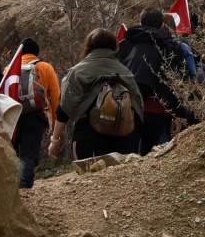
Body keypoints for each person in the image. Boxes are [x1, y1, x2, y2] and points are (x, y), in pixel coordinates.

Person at [51, 28, 144, 162]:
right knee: (120, 181)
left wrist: (55, 140)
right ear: (114, 46)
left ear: (88, 47)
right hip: (124, 138)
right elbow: (138, 108)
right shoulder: (126, 72)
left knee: (90, 181)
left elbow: (64, 109)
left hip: (88, 138)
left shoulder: (77, 72)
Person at [117, 7, 198, 154]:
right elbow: (179, 82)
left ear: (140, 22)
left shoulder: (125, 45)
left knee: (129, 157)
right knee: (152, 156)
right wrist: (179, 115)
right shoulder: (170, 46)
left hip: (128, 108)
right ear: (162, 25)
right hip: (158, 110)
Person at [11, 38, 60, 188]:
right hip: (36, 117)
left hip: (14, 116)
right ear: (37, 53)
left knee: (13, 153)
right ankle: (25, 185)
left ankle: (11, 184)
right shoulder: (45, 67)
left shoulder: (9, 69)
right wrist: (54, 122)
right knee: (29, 153)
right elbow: (56, 97)